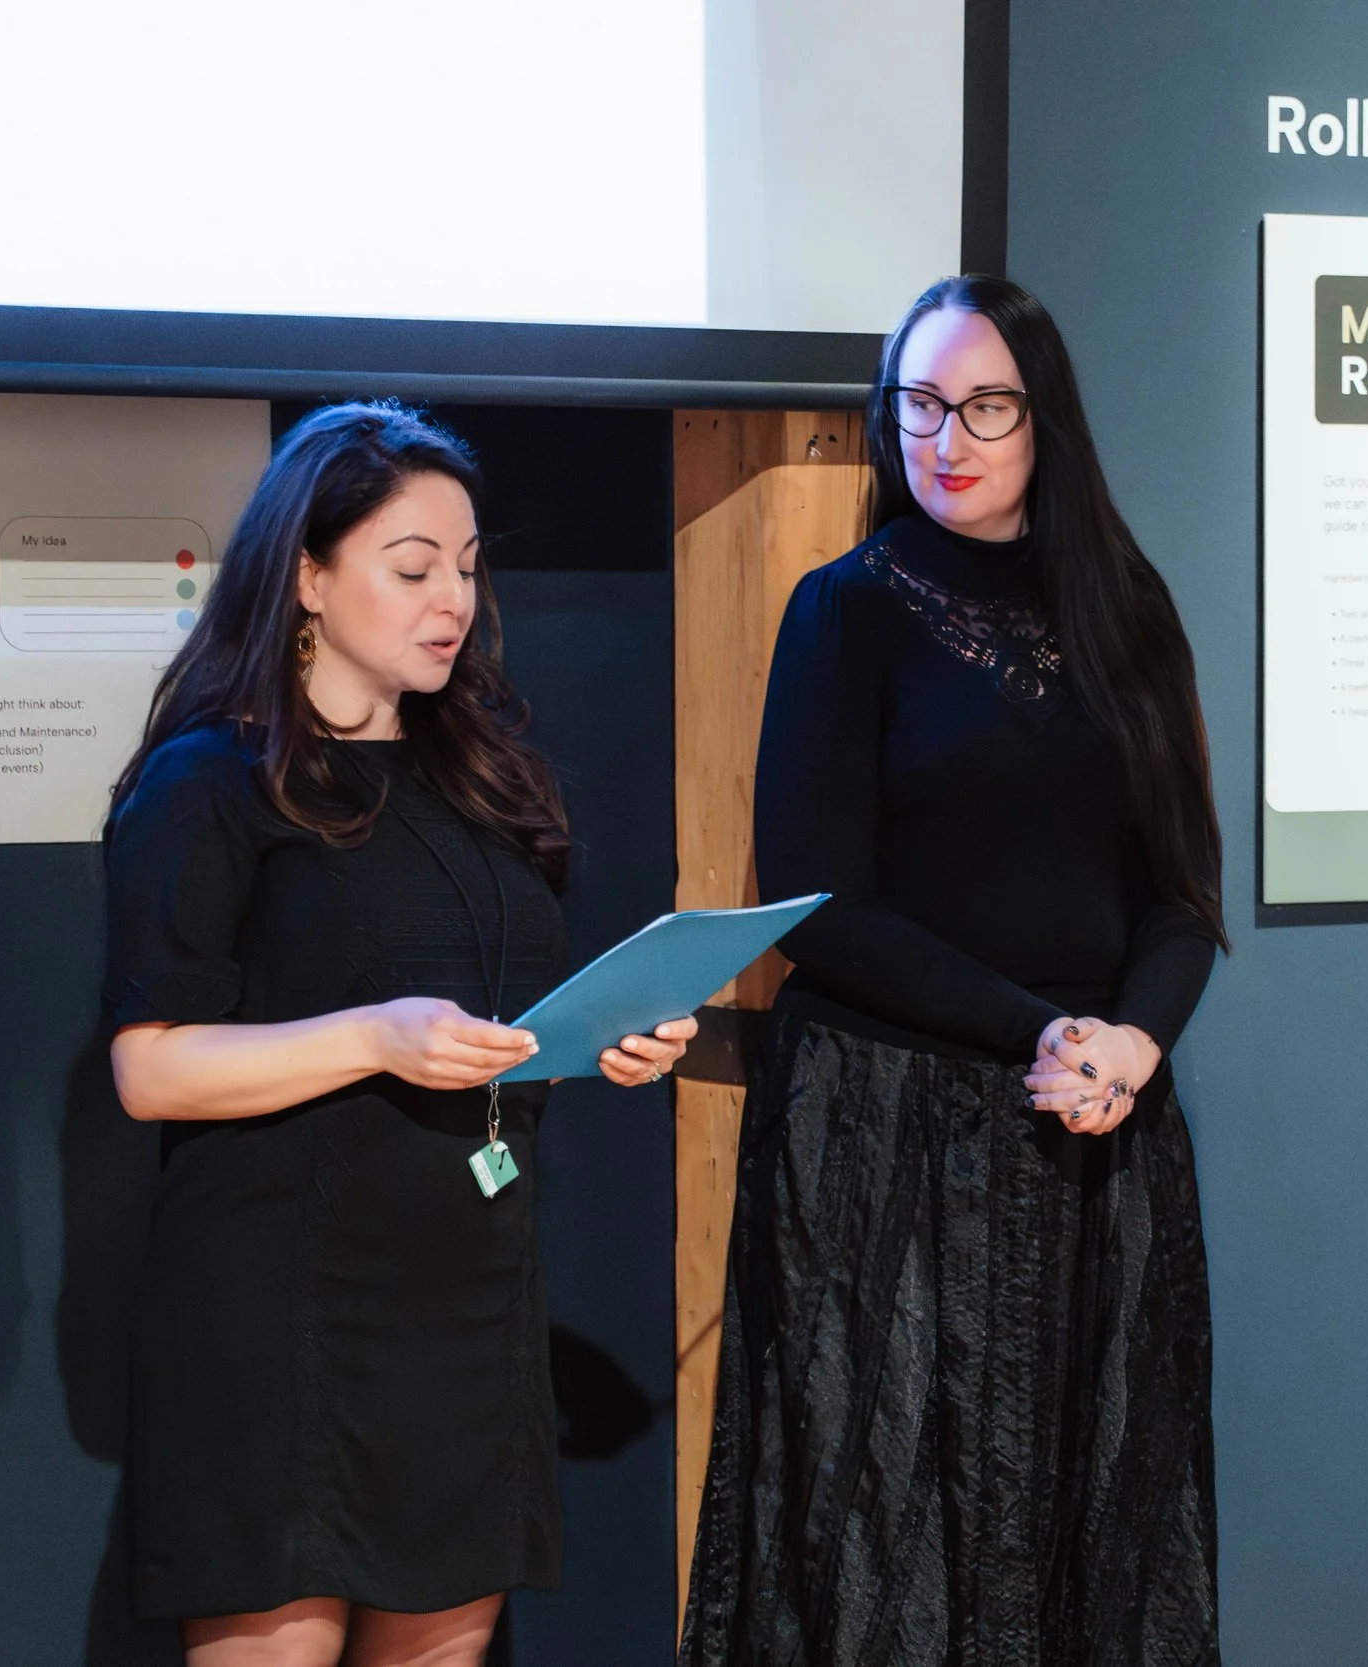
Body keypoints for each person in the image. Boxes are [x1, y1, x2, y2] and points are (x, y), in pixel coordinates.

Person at [678, 276, 1228, 1667]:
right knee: (882, 1559)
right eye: (919, 403)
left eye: (985, 403)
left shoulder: (1128, 607)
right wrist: (1040, 1027)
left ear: (1045, 418)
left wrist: (1132, 1044)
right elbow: (816, 907)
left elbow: (1180, 892)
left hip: (1095, 1135)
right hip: (882, 1135)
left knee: (1095, 1532)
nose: (948, 435)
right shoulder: (843, 612)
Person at [102, 402, 695, 1667]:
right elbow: (149, 1067)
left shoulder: (481, 780)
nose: (454, 600)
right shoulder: (211, 780)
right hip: (280, 1311)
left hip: (469, 1309)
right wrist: (374, 1034)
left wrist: (601, 1036)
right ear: (308, 575)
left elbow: (493, 1020)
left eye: (469, 568)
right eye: (413, 566)